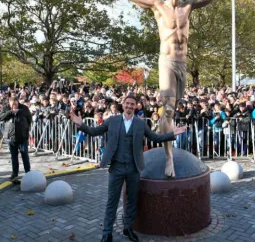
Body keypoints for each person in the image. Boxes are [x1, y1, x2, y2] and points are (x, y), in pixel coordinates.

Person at [86, 0, 251, 177]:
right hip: (166, 62)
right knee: (170, 108)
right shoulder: (157, 6)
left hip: (182, 64)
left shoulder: (189, 6)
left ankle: (161, 127)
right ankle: (169, 158)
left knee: (172, 109)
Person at [69, 95, 186, 242]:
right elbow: (94, 132)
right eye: (127, 103)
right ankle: (107, 233)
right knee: (112, 200)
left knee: (132, 199)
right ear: (123, 105)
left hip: (133, 167)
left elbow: (154, 138)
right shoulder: (112, 120)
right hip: (116, 167)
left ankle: (128, 228)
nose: (130, 106)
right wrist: (80, 124)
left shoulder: (140, 123)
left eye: (132, 104)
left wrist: (172, 134)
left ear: (135, 106)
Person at [0, 96, 33, 180]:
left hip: (22, 136)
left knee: (24, 155)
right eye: (12, 104)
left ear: (18, 102)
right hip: (11, 136)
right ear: (9, 103)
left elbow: (29, 119)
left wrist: (25, 129)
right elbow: (0, 118)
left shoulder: (24, 108)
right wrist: (10, 112)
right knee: (13, 156)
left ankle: (28, 172)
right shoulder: (6, 108)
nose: (14, 105)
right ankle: (15, 173)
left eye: (15, 103)